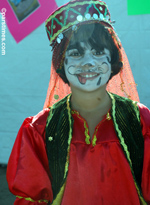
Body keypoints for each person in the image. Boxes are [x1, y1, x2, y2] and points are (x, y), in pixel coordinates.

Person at [6, 0, 150, 204]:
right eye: (75, 53)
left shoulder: (141, 121)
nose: (88, 62)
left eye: (99, 52)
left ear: (113, 61)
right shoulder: (39, 129)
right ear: (60, 64)